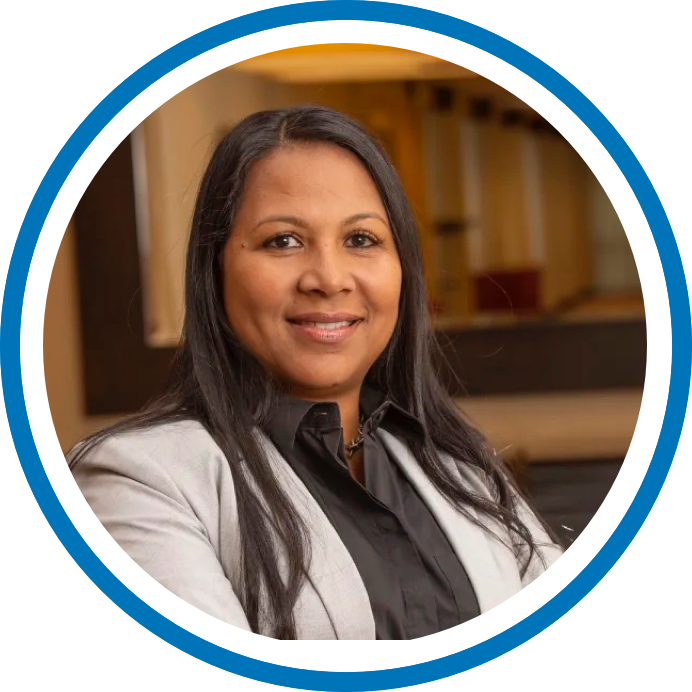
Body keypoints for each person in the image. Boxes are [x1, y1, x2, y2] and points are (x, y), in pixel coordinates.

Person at [69, 105, 562, 642]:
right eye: (283, 240)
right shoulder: (138, 479)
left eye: (361, 240)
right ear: (215, 271)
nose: (328, 279)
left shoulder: (458, 464)